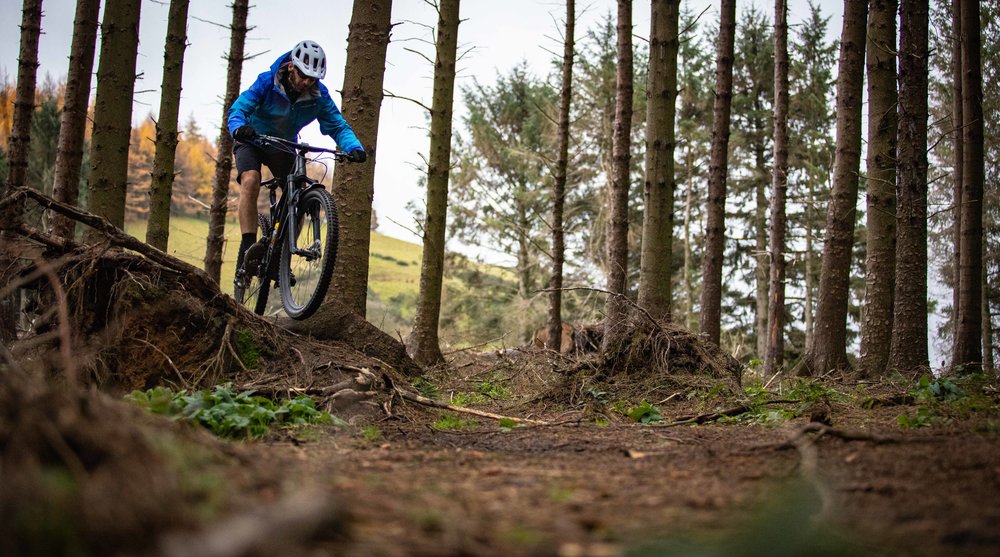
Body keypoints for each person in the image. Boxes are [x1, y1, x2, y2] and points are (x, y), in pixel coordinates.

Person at [227, 39, 366, 287]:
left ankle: (280, 258)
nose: (306, 83)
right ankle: (249, 250)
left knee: (299, 195)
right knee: (250, 179)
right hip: (252, 139)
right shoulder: (266, 82)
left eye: (313, 78)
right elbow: (239, 109)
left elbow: (337, 125)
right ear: (292, 66)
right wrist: (239, 128)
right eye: (303, 75)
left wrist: (353, 147)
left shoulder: (318, 96)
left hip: (282, 145)